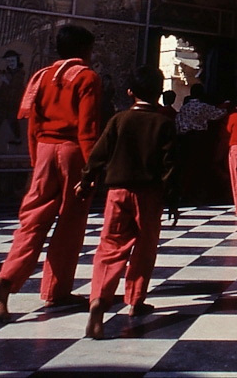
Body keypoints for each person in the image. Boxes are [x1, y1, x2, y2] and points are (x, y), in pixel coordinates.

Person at [0, 24, 102, 322]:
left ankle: (6, 280)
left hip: (44, 150)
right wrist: (92, 169)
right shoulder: (87, 76)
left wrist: (36, 159)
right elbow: (87, 128)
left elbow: (32, 123)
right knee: (70, 223)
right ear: (84, 50)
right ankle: (56, 289)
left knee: (32, 220)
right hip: (72, 152)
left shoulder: (41, 76)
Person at [77, 65, 178, 340]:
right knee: (145, 248)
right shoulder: (164, 123)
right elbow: (169, 165)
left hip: (117, 192)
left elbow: (98, 154)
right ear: (160, 92)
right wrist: (172, 198)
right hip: (150, 193)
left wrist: (86, 180)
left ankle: (99, 299)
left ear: (130, 92)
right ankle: (135, 300)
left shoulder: (119, 120)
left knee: (110, 247)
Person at [0, 50, 28, 145]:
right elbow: (3, 87)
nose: (10, 63)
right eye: (8, 61)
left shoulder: (20, 72)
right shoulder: (8, 72)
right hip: (4, 99)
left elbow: (15, 85)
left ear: (17, 61)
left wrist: (6, 79)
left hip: (15, 100)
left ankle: (18, 139)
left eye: (12, 61)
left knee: (12, 120)